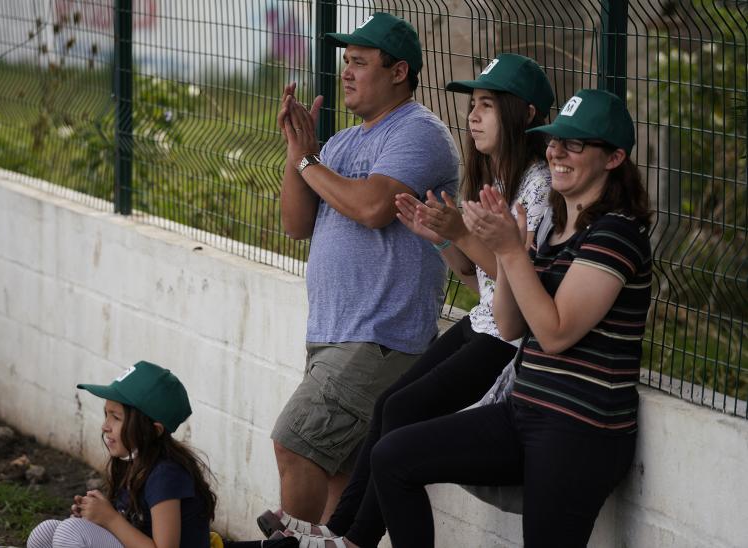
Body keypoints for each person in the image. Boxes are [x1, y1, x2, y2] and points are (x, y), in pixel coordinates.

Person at [262, 54, 554, 547]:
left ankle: (346, 538)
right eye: (473, 104)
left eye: (488, 104)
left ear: (524, 115)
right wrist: (442, 238)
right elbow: (477, 278)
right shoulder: (499, 182)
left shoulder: (536, 188)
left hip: (503, 335)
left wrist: (460, 230)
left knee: (397, 420)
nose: (474, 115)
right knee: (391, 410)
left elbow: (515, 290)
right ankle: (341, 535)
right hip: (482, 319)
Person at [370, 89, 653, 547]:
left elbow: (557, 333)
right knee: (393, 457)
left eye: (575, 144)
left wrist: (507, 251)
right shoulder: (556, 227)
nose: (556, 152)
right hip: (525, 413)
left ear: (615, 157)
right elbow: (511, 325)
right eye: (554, 141)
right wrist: (510, 252)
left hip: (580, 431)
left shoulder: (616, 234)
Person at [265, 11, 460, 528]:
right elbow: (295, 223)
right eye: (344, 62)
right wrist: (296, 154)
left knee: (295, 443)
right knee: (339, 480)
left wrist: (311, 164)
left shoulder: (419, 133)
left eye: (359, 62)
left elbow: (374, 209)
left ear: (398, 72)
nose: (346, 72)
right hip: (332, 332)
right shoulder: (342, 143)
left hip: (379, 335)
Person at [26, 361, 216, 548]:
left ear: (153, 430)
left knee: (70, 532)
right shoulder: (131, 463)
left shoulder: (165, 475)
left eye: (116, 417)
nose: (105, 426)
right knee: (45, 532)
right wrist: (93, 517)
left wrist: (109, 518)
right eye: (106, 414)